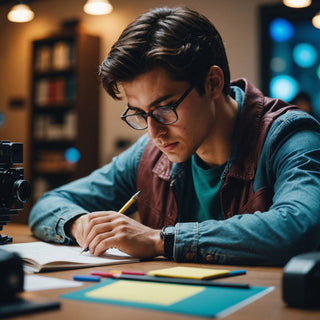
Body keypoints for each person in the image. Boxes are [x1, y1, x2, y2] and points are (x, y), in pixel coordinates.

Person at [29, 7, 320, 266]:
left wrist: (161, 240)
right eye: (140, 113)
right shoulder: (150, 154)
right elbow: (48, 204)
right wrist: (82, 225)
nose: (153, 132)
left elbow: (301, 226)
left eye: (164, 108)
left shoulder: (289, 134)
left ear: (213, 83)